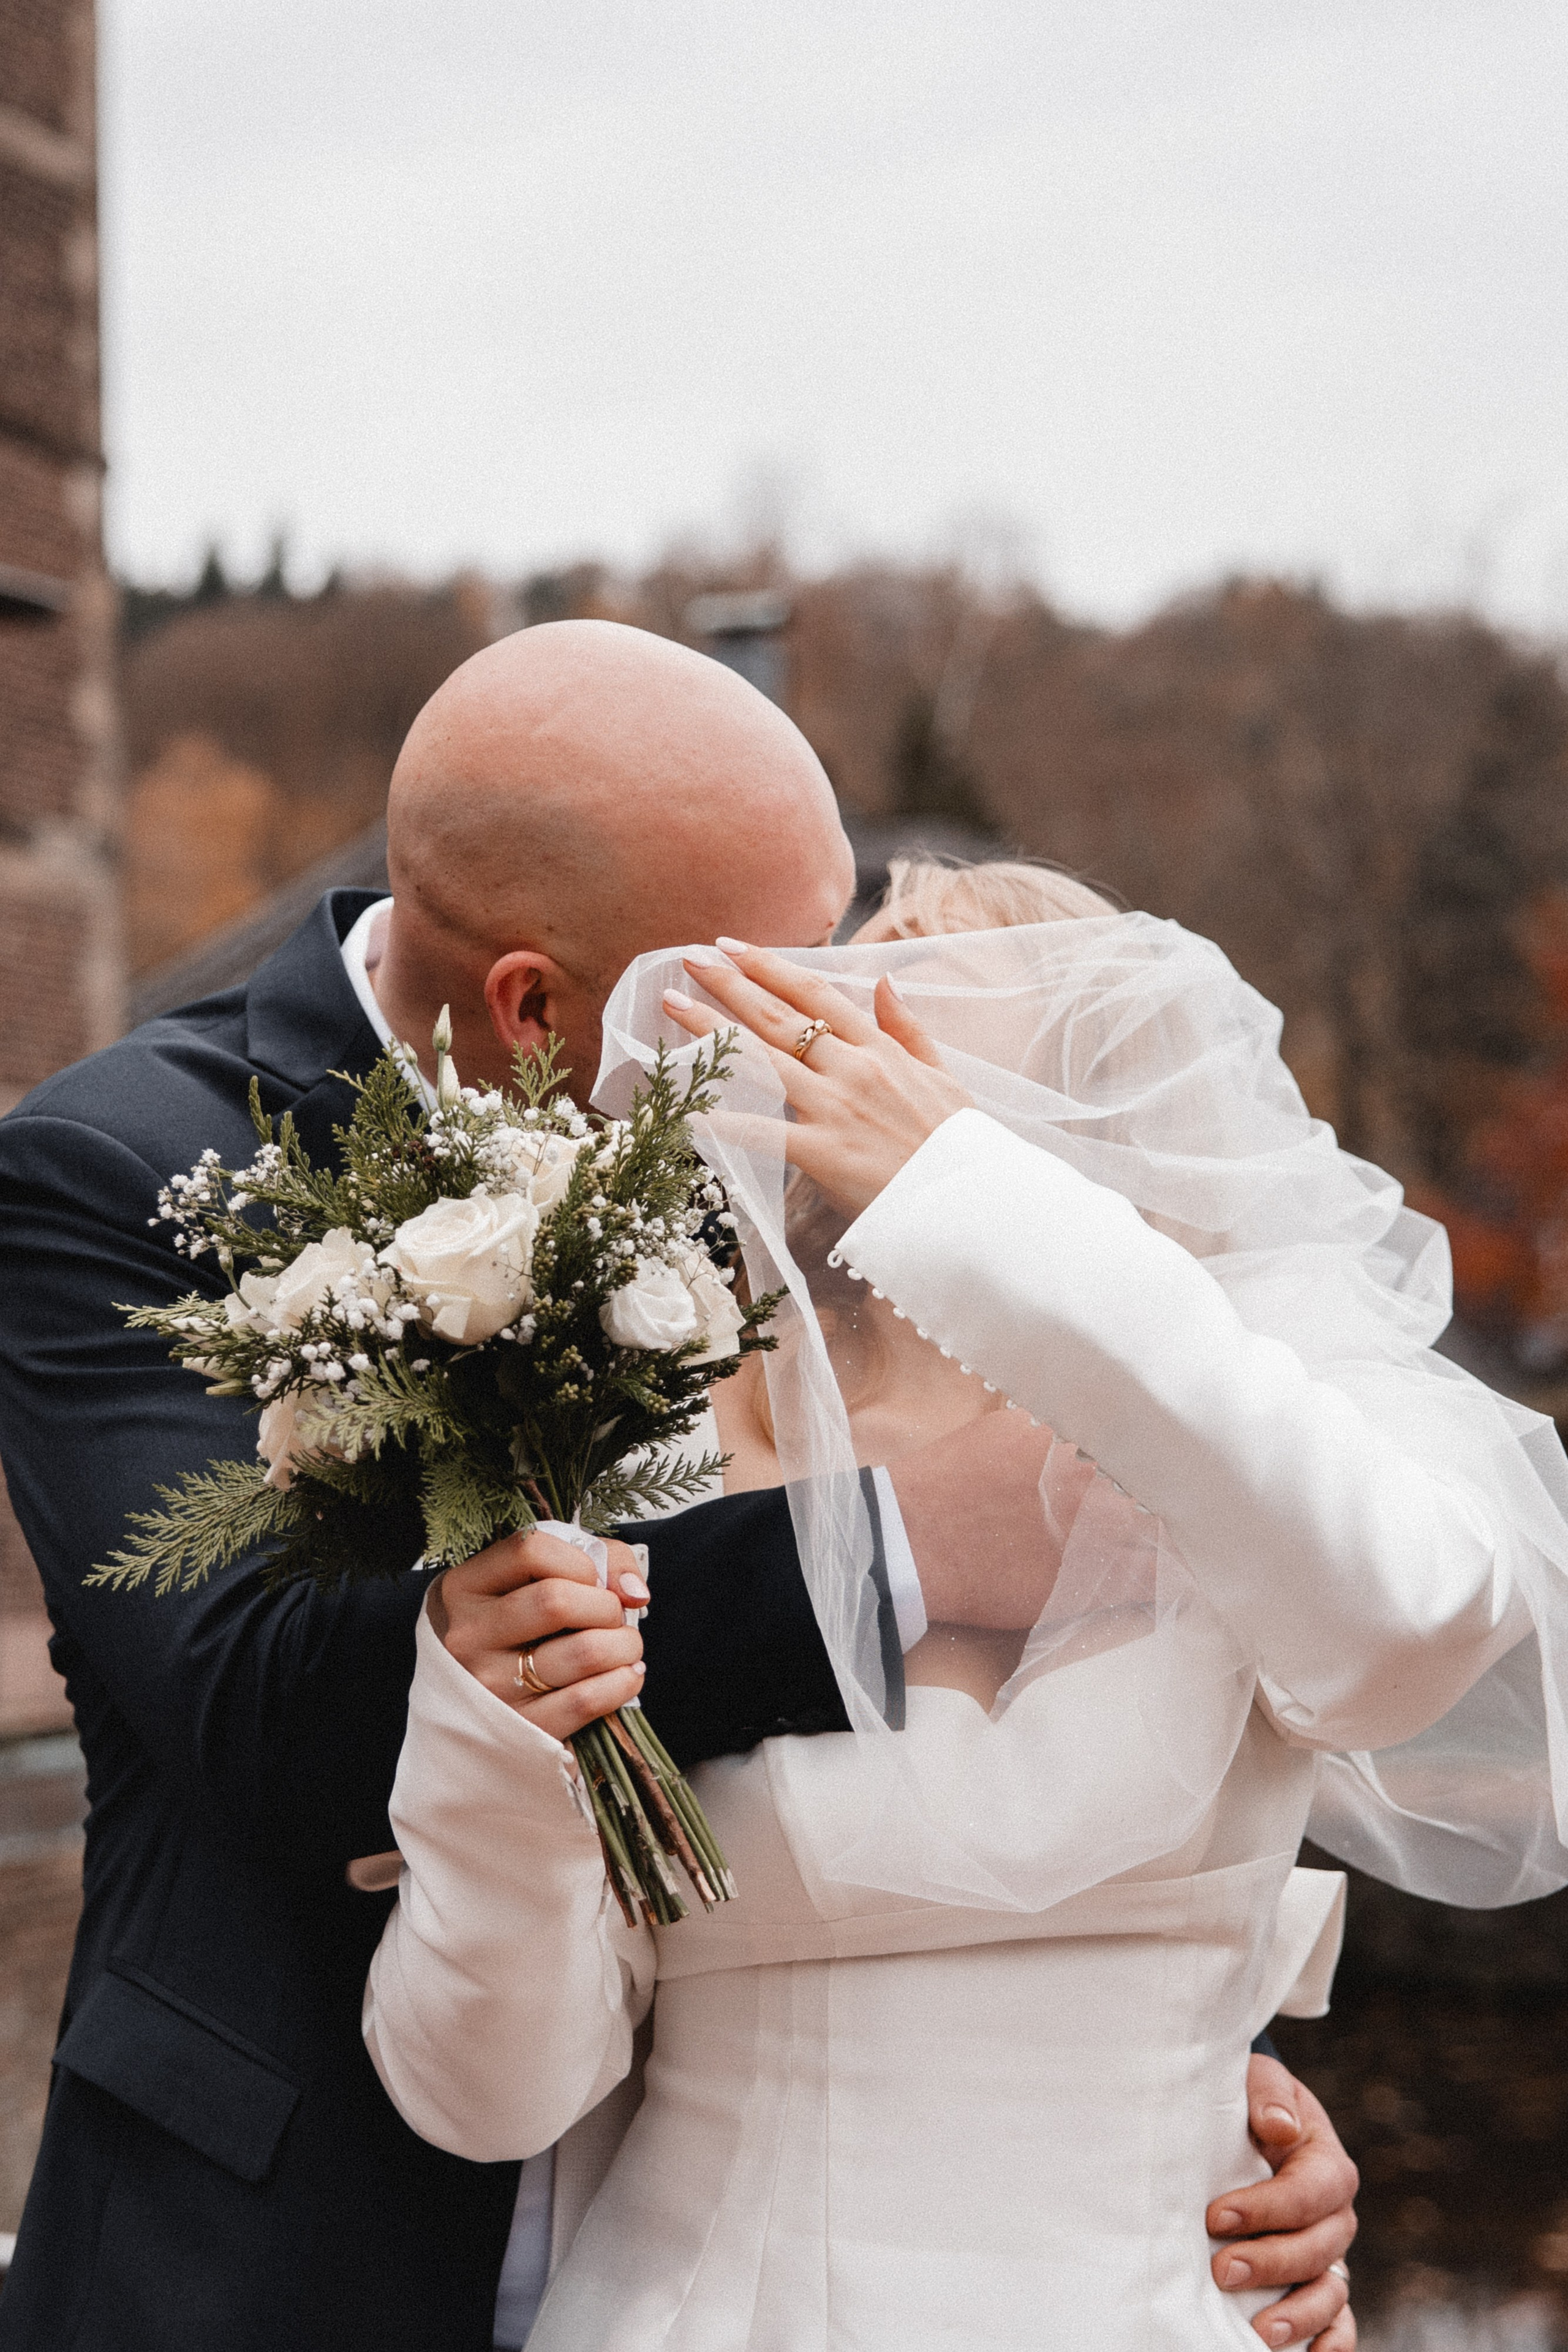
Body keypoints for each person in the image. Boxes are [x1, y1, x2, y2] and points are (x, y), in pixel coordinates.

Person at [0, 630, 1354, 2352]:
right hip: (284, 2261)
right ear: (535, 1009)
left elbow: (1004, 1746)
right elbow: (254, 1706)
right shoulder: (119, 1168)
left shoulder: (768, 1167)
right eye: (762, 977)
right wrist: (903, 1546)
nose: (817, 1025)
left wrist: (1181, 2091)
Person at [364, 854, 1568, 2347]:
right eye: (852, 980)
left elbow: (1407, 1628)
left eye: (924, 998)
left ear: (1103, 1106)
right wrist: (489, 1738)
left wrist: (965, 1206)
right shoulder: (655, 1434)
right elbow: (487, 2095)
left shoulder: (1249, 1412)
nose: (850, 1021)